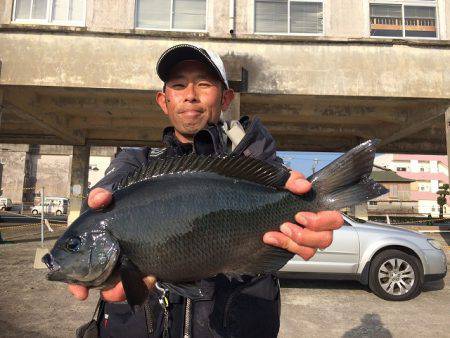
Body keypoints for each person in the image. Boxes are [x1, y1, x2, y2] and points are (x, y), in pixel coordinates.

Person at [69, 44, 343, 337]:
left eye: (203, 84)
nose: (190, 94)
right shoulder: (135, 163)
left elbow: (265, 168)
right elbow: (106, 194)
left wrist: (304, 200)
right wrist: (99, 203)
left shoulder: (249, 156)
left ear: (226, 98)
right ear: (163, 101)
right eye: (178, 85)